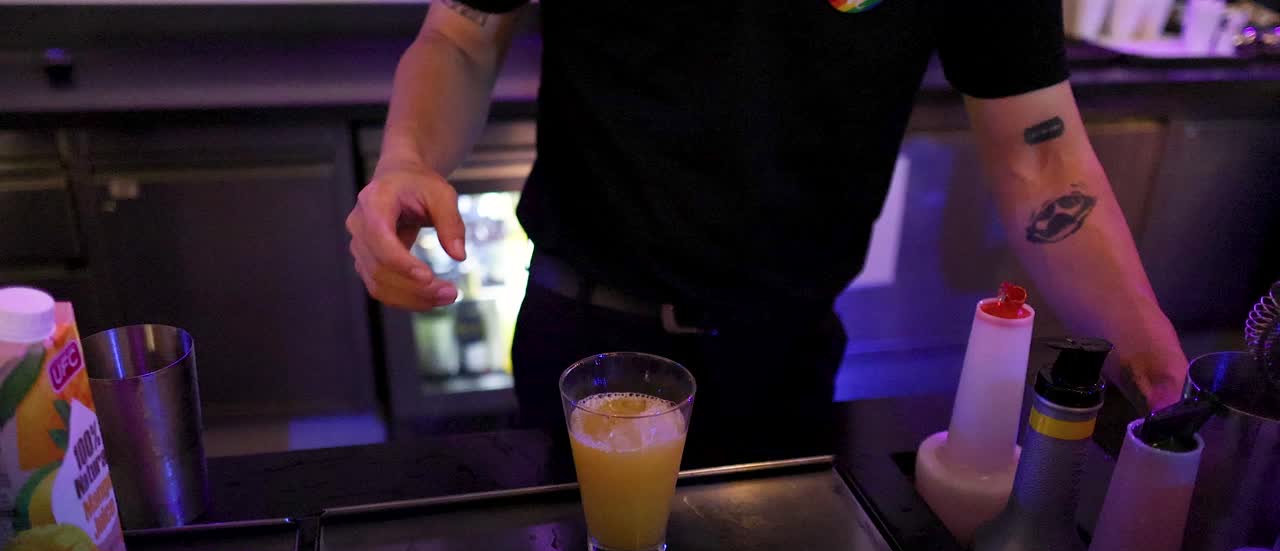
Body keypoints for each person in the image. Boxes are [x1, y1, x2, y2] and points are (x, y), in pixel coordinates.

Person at [346, 0, 1188, 466]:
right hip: (587, 338)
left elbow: (1041, 158)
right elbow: (462, 29)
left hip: (788, 349)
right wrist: (406, 158)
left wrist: (1144, 344)